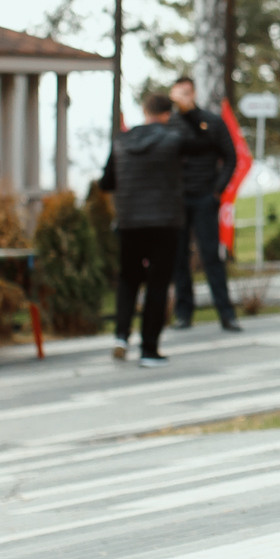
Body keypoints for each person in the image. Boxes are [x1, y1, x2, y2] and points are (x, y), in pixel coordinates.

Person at [99, 93, 187, 367]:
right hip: (164, 222)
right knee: (157, 285)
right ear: (167, 114)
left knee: (128, 280)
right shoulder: (173, 140)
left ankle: (121, 336)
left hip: (129, 222)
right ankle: (149, 350)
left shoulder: (121, 140)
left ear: (144, 111)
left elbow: (106, 182)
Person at [167, 76, 242, 332]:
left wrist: (216, 191)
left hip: (204, 198)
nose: (183, 99)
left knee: (211, 256)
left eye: (187, 93)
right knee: (178, 257)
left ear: (194, 93)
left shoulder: (211, 121)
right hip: (177, 200)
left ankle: (226, 314)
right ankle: (184, 314)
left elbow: (231, 158)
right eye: (178, 94)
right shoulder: (170, 123)